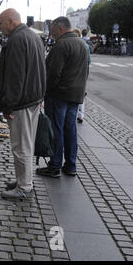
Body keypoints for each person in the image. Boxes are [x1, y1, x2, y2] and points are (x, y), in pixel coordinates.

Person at [0, 8, 46, 201]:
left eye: (1, 23)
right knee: (26, 143)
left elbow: (15, 77)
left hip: (21, 103)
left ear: (10, 21)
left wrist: (9, 105)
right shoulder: (32, 37)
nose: (0, 28)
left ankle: (24, 186)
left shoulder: (17, 40)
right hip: (32, 100)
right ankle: (23, 181)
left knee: (21, 146)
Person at [37, 17, 89, 178]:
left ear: (60, 28)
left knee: (56, 129)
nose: (51, 34)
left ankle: (54, 165)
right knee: (70, 129)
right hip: (75, 95)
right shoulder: (82, 44)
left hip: (59, 94)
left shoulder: (62, 45)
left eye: (53, 30)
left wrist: (46, 91)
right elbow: (85, 71)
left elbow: (53, 73)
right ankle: (71, 165)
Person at [73, 29, 91, 123]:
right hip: (83, 73)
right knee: (81, 94)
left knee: (78, 95)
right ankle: (81, 115)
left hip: (77, 73)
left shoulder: (75, 44)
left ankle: (78, 114)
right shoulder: (86, 45)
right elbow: (89, 61)